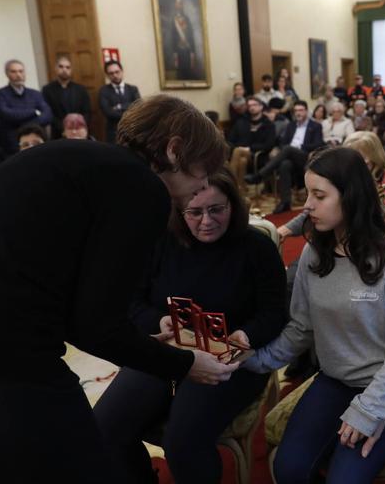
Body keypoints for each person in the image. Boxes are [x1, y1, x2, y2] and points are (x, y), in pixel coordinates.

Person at [0, 95, 238, 484]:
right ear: (175, 149)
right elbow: (98, 327)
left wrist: (140, 338)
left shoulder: (71, 157)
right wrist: (185, 364)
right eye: (204, 169)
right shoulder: (140, 186)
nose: (202, 186)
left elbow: (61, 293)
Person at [243, 147, 385, 483]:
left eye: (319, 195)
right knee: (289, 469)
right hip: (334, 382)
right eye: (307, 193)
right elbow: (301, 329)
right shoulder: (315, 253)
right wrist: (250, 359)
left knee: (344, 479)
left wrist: (370, 410)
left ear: (351, 196)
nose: (307, 205)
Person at [93, 167, 287, 484]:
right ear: (180, 211)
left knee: (182, 443)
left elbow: (274, 313)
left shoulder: (257, 248)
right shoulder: (161, 241)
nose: (206, 221)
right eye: (195, 212)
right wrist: (158, 321)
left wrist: (245, 336)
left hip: (229, 360)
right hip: (167, 352)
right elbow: (132, 303)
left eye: (216, 210)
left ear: (233, 207)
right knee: (105, 428)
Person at [246, 100, 325, 214]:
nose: (298, 113)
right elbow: (283, 142)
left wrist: (300, 146)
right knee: (284, 165)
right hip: (290, 157)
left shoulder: (315, 126)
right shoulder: (291, 125)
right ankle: (285, 202)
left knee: (288, 149)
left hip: (305, 157)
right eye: (296, 110)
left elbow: (318, 143)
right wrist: (286, 147)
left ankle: (260, 175)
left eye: (301, 110)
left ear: (306, 111)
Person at [0, 59, 52, 154]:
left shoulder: (35, 94)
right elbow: (7, 115)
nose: (18, 75)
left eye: (21, 71)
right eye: (14, 71)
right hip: (13, 145)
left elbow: (47, 115)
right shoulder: (0, 94)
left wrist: (27, 125)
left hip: (37, 141)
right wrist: (34, 112)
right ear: (7, 74)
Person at [227, 96, 276, 189]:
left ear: (261, 107)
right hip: (241, 156)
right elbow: (230, 140)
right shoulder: (241, 121)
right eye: (249, 106)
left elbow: (269, 145)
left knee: (238, 151)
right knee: (242, 161)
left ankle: (229, 185)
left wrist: (249, 148)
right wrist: (239, 147)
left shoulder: (268, 124)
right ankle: (240, 190)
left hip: (259, 156)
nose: (252, 107)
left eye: (254, 105)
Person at [42, 56, 91, 139]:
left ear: (71, 70)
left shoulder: (80, 89)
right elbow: (48, 113)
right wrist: (65, 128)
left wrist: (78, 126)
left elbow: (87, 111)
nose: (64, 70)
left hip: (79, 132)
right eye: (61, 66)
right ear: (55, 69)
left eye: (68, 67)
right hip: (58, 133)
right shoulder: (47, 90)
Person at [99, 60, 141, 143]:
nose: (115, 75)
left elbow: (138, 107)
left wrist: (119, 107)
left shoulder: (133, 89)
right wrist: (129, 109)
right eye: (111, 73)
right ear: (107, 75)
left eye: (117, 72)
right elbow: (108, 112)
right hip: (113, 132)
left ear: (122, 71)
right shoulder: (103, 91)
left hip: (132, 130)